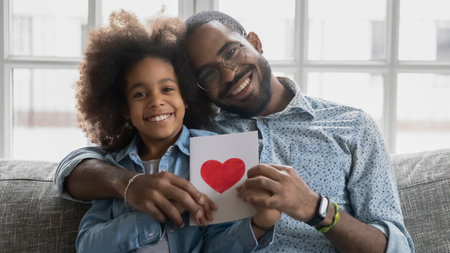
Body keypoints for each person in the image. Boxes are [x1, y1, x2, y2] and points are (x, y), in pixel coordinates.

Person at [55, 10, 414, 253]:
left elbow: (397, 247)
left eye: (232, 51)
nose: (228, 74)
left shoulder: (351, 127)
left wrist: (315, 209)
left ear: (255, 43)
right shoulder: (194, 132)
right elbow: (76, 167)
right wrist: (127, 184)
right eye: (208, 74)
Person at [69, 10, 279, 253]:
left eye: (167, 89)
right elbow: (87, 245)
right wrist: (152, 217)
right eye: (139, 94)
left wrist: (258, 225)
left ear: (186, 97)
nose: (156, 101)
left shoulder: (214, 152)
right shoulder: (114, 166)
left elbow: (218, 246)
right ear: (124, 109)